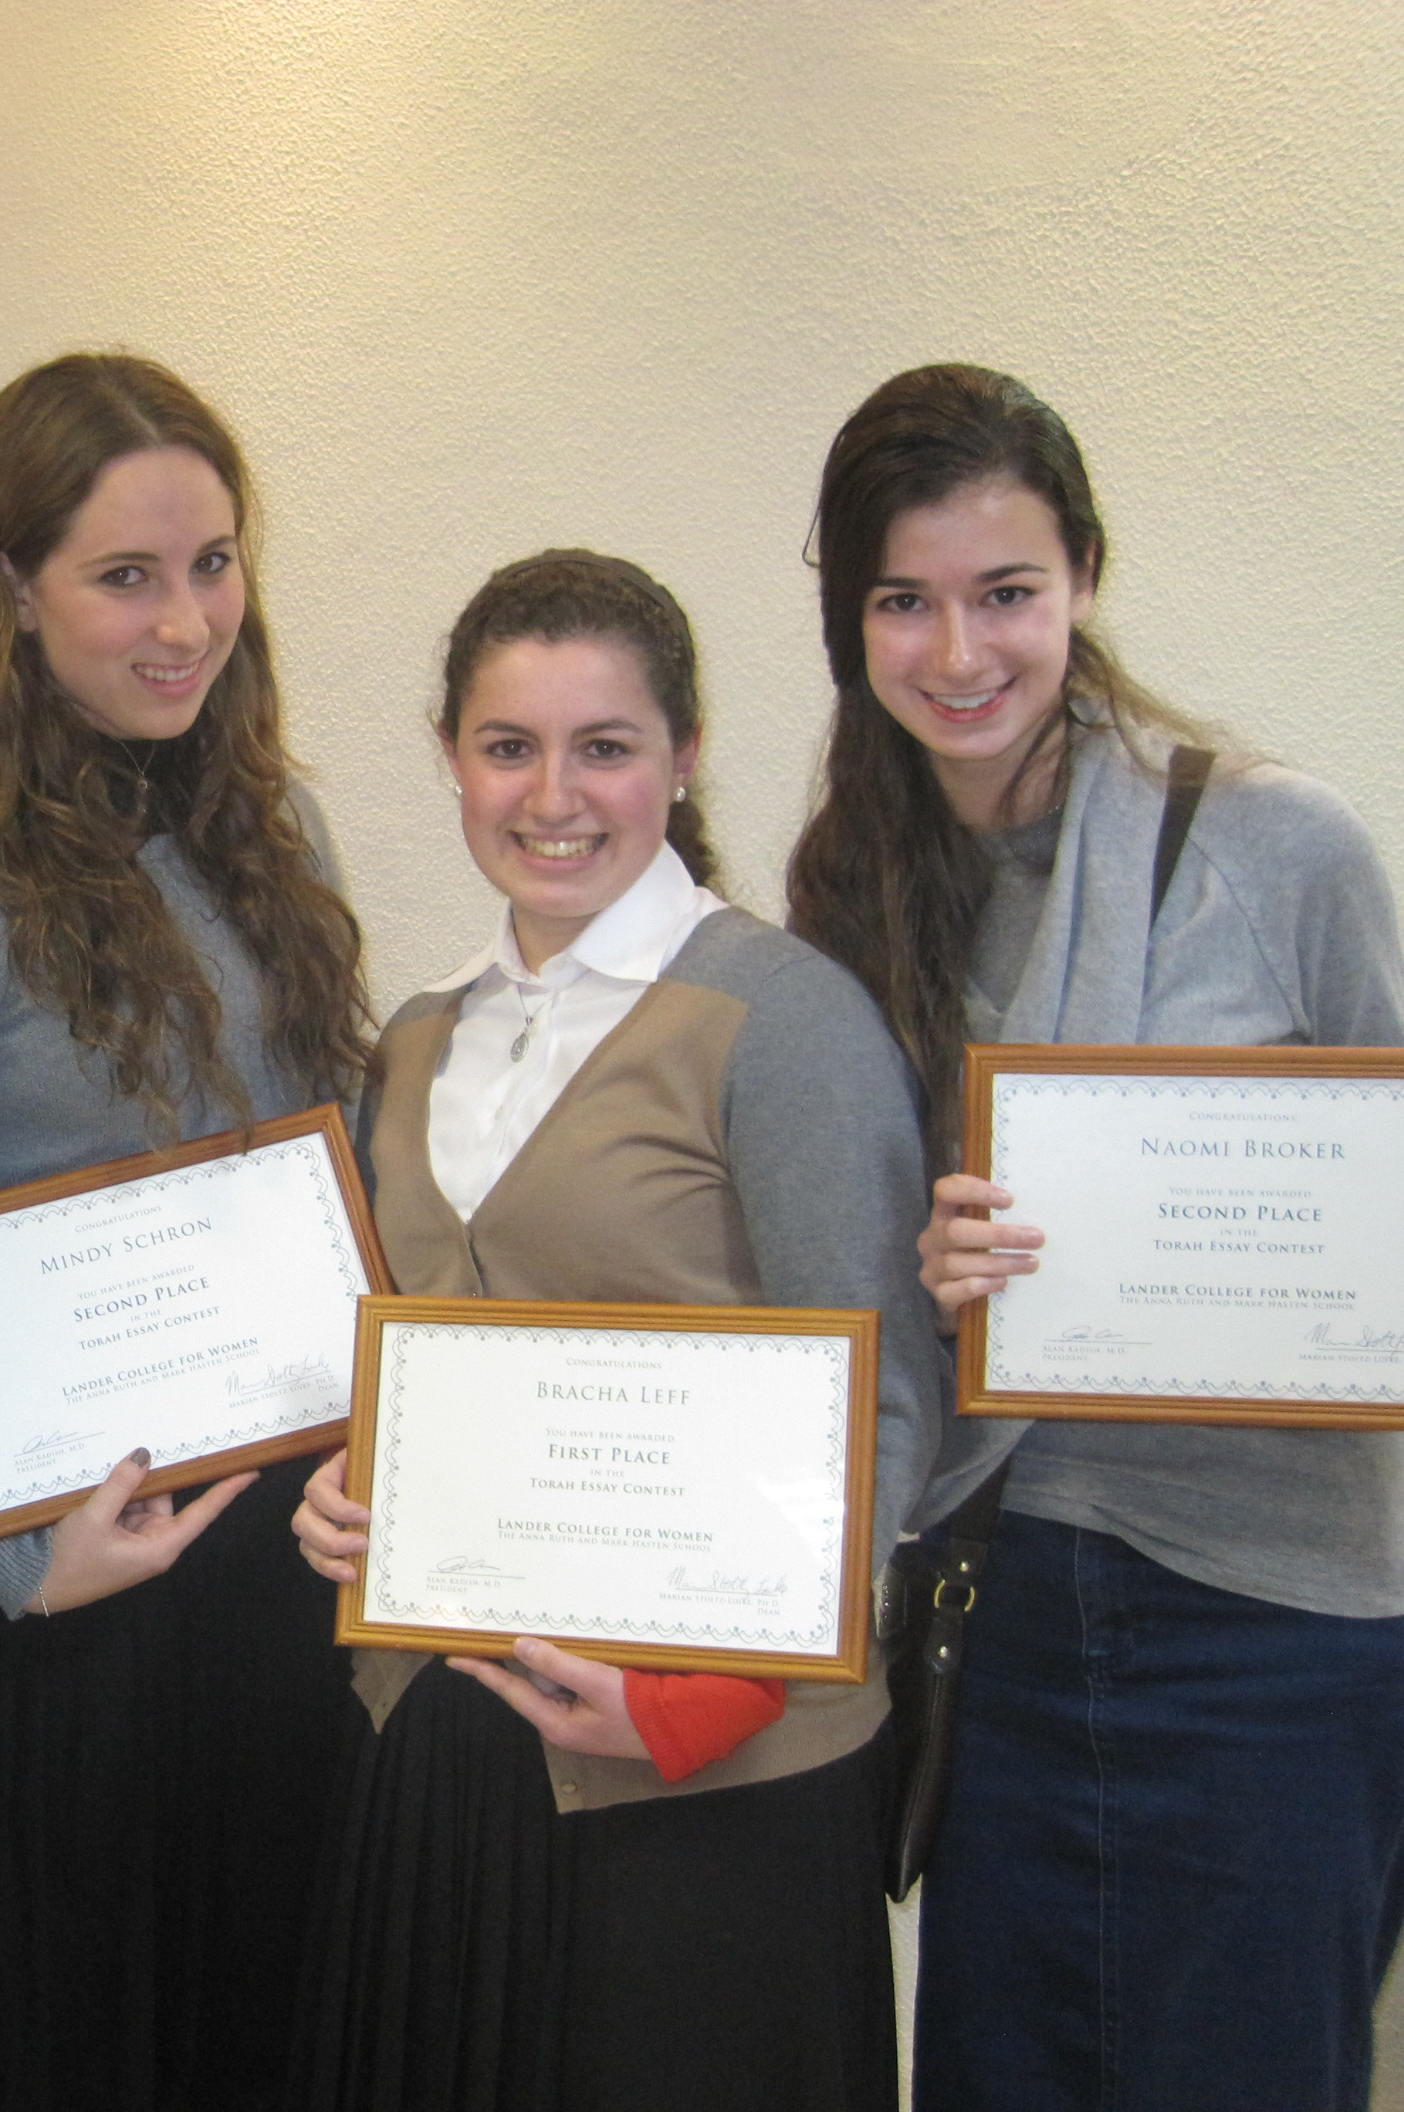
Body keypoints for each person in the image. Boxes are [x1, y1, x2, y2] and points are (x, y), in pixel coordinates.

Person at [785, 362, 1404, 2112]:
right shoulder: (851, 883)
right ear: (849, 619)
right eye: (903, 601)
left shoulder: (1279, 848)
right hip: (1006, 1616)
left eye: (1007, 593)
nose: (958, 652)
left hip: (1272, 1631)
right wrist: (932, 1268)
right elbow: (854, 1281)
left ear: (1083, 580)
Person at [290, 550, 947, 2112]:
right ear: (453, 757)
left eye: (607, 747)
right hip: (452, 1752)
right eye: (509, 747)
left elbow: (889, 1406)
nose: (553, 795)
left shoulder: (778, 1019)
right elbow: (423, 1342)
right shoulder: (418, 1035)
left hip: (716, 1770)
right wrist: (343, 1487)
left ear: (686, 756)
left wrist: (705, 1698)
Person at [0, 351, 371, 2111]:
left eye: (212, 564)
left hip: (274, 1568)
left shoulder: (273, 826)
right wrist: (10, 1567)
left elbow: (331, 1158)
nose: (183, 621)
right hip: (58, 1605)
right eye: (124, 575)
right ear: (12, 588)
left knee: (267, 2016)